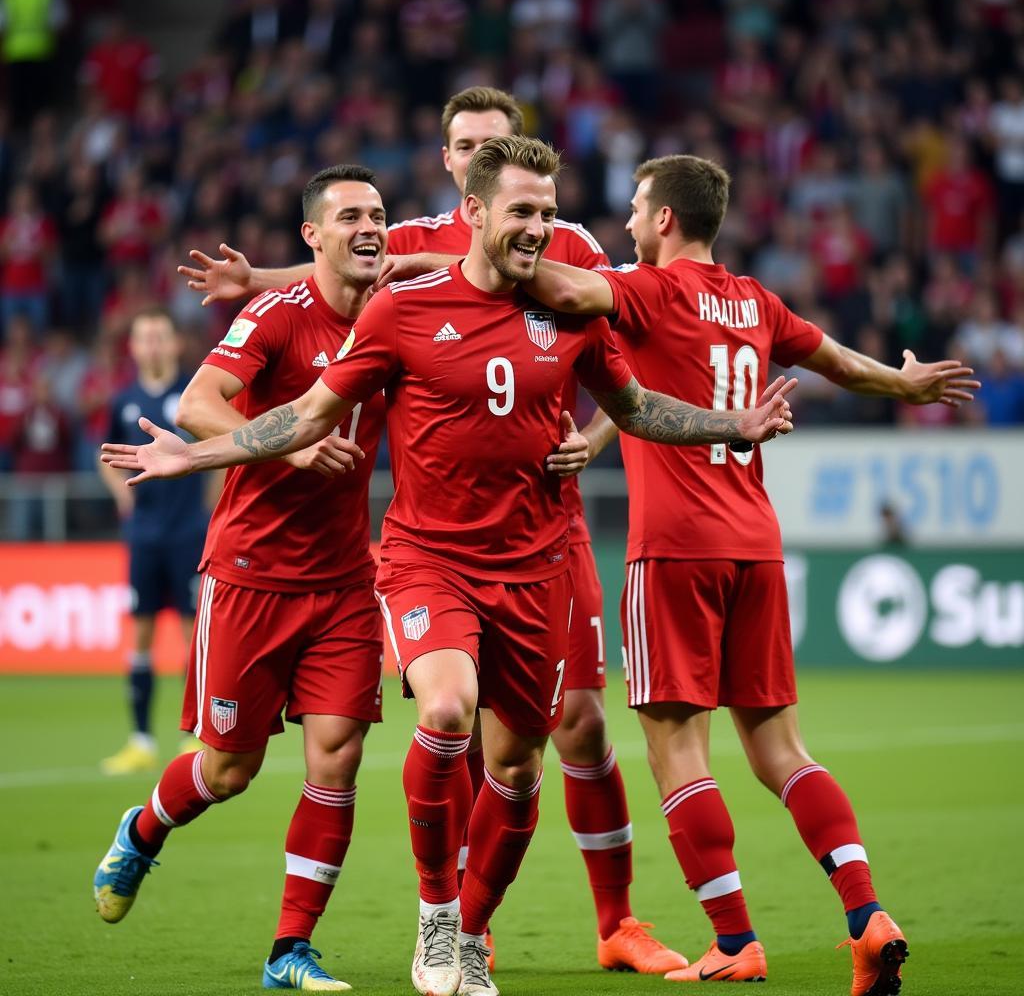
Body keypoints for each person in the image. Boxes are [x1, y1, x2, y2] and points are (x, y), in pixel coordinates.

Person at [103, 136, 796, 996]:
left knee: (516, 767)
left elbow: (638, 406)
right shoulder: (403, 310)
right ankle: (433, 917)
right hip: (424, 560)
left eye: (548, 212)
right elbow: (309, 414)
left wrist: (732, 425)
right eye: (522, 212)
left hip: (535, 568)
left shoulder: (574, 316)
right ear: (471, 212)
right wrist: (197, 457)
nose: (539, 228)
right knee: (442, 711)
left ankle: (470, 932)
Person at [177, 85, 683, 975]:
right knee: (447, 712)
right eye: (463, 144)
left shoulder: (566, 245)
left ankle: (605, 924)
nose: (477, 154)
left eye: (495, 141)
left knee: (574, 732)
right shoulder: (411, 246)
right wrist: (257, 284)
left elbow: (627, 375)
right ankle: (444, 921)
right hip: (435, 545)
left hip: (548, 535)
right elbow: (340, 270)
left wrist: (595, 436)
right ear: (453, 164)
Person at [523, 154, 981, 992]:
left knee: (677, 756)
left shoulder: (647, 291)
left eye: (633, 209)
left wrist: (485, 247)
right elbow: (840, 361)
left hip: (674, 551)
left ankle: (734, 939)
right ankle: (866, 913)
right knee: (781, 750)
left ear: (665, 218)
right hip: (757, 545)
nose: (625, 222)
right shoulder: (754, 301)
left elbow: (556, 289)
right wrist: (906, 384)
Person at [94, 165, 397, 992]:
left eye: (379, 215)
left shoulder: (397, 307)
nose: (371, 228)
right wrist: (292, 441)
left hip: (341, 580)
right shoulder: (278, 315)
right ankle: (145, 827)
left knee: (336, 758)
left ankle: (288, 952)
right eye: (351, 217)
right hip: (252, 573)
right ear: (314, 236)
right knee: (229, 770)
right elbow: (197, 403)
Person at [97, 309, 212, 774]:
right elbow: (104, 455)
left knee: (191, 635)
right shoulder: (124, 400)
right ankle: (141, 739)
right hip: (144, 536)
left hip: (188, 534)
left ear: (174, 343)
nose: (153, 345)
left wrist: (210, 509)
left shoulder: (193, 395)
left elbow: (220, 452)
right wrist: (120, 501)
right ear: (134, 348)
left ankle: (192, 738)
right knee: (141, 633)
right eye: (144, 337)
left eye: (160, 336)